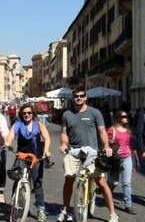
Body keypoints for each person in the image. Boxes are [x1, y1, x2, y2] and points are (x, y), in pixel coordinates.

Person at [58, 87, 118, 222]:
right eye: (76, 96)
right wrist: (63, 144)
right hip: (73, 151)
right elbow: (64, 132)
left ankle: (113, 214)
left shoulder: (95, 113)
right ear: (72, 98)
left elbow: (102, 132)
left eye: (81, 96)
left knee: (101, 182)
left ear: (85, 97)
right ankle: (65, 210)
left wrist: (106, 146)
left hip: (92, 152)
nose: (79, 98)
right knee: (69, 179)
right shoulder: (67, 114)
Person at [4, 103, 52, 222]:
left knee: (37, 184)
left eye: (29, 113)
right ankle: (14, 205)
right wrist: (8, 142)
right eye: (24, 113)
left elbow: (47, 138)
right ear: (21, 114)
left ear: (33, 113)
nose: (27, 115)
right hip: (21, 156)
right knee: (17, 179)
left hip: (36, 157)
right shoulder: (18, 124)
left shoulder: (39, 124)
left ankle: (41, 210)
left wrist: (46, 150)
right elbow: (10, 135)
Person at [107, 110, 139, 215]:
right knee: (114, 182)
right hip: (115, 159)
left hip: (127, 158)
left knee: (127, 183)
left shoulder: (128, 130)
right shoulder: (112, 130)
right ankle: (107, 193)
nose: (126, 118)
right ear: (118, 118)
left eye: (127, 116)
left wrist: (136, 160)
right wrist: (112, 148)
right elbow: (105, 145)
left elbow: (132, 146)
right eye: (124, 116)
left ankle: (128, 205)